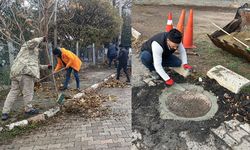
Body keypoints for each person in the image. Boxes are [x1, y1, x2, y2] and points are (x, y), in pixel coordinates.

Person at [1, 37, 52, 121]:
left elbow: (35, 66)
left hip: (16, 73)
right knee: (28, 93)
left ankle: (5, 112)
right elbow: (34, 41)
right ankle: (28, 109)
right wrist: (42, 38)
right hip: (25, 73)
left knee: (13, 93)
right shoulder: (28, 46)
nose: (39, 49)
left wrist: (47, 66)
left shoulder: (30, 55)